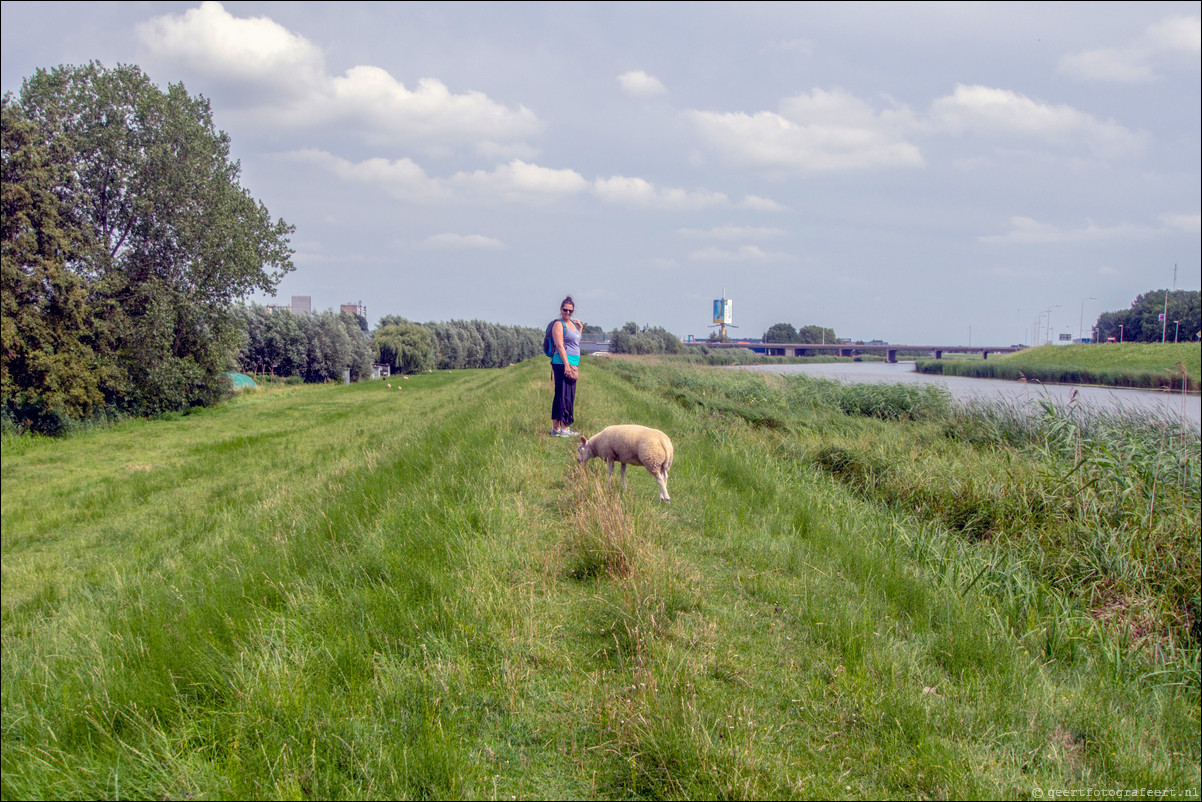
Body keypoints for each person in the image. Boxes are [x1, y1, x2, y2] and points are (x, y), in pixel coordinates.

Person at [550, 295, 583, 437]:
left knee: (564, 395)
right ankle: (564, 429)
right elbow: (560, 345)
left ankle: (557, 429)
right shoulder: (559, 324)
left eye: (570, 311)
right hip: (562, 363)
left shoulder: (572, 324)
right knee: (565, 396)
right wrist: (567, 365)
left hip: (572, 363)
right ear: (561, 309)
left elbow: (574, 342)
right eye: (565, 310)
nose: (568, 313)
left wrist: (580, 328)